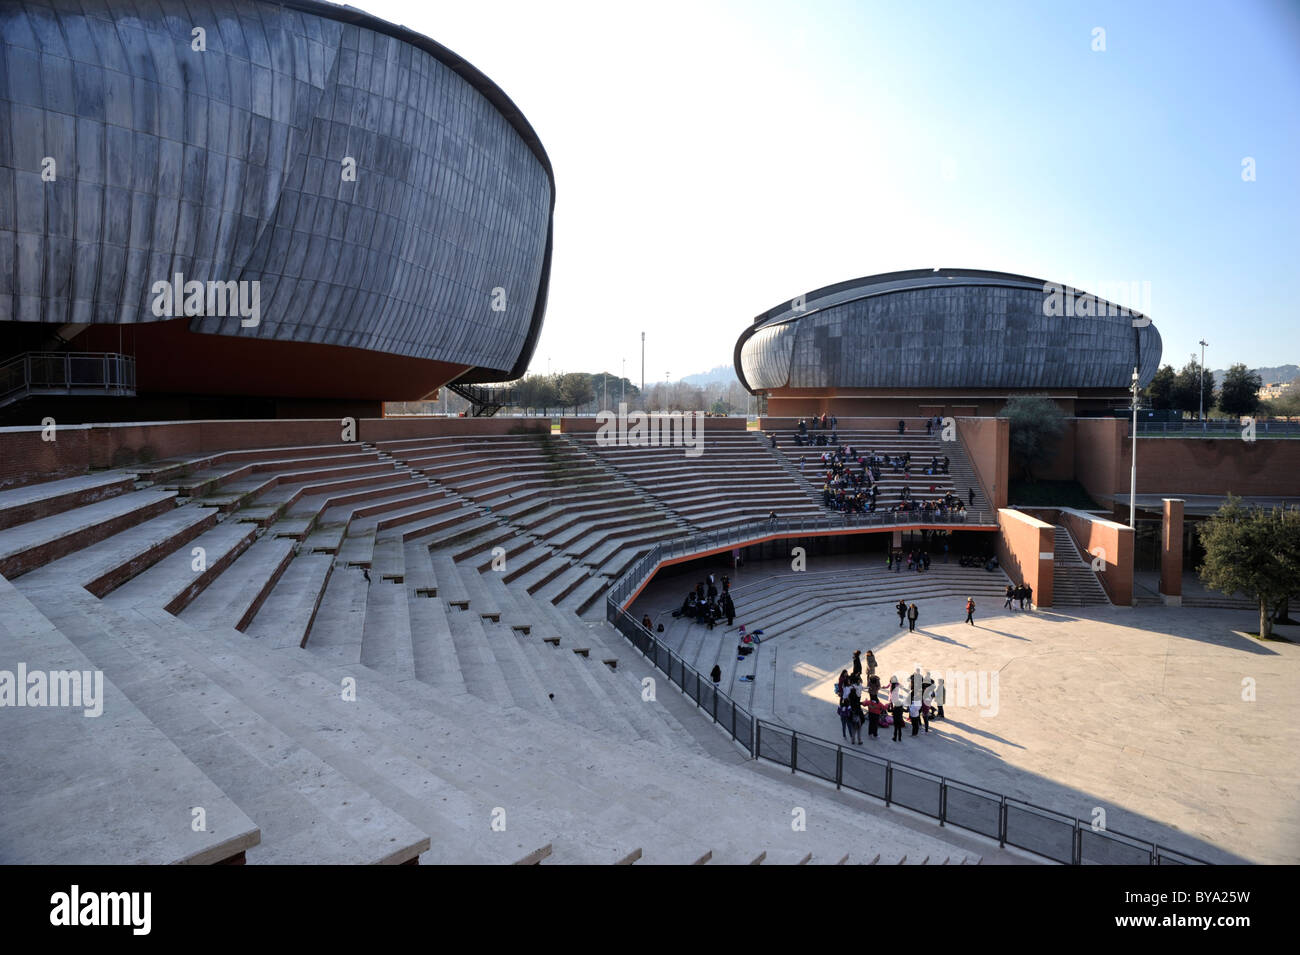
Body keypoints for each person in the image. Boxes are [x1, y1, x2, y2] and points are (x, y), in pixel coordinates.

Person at [889, 678, 906, 742]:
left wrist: (888, 707)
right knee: (899, 729)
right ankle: (899, 738)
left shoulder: (895, 709)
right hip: (900, 719)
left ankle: (894, 737)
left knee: (895, 729)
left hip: (896, 720)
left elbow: (890, 710)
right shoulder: (901, 709)